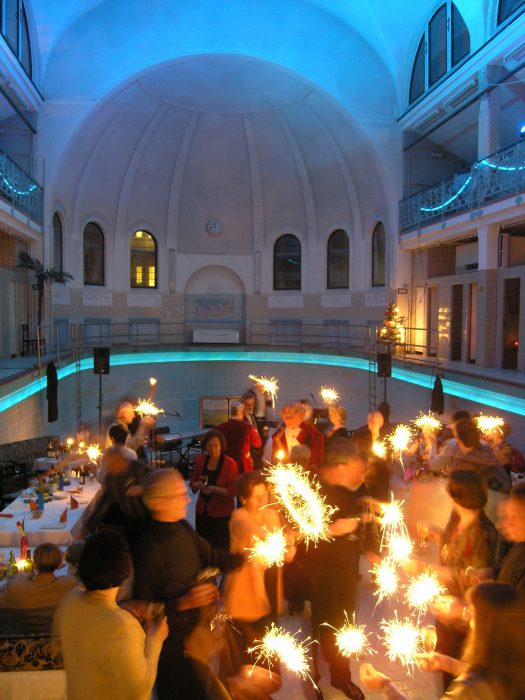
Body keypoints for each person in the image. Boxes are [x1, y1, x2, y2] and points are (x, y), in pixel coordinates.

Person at [133, 469, 243, 700]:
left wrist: (250, 555)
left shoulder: (183, 528)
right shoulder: (149, 549)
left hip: (196, 639)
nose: (187, 500)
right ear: (157, 503)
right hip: (171, 651)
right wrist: (184, 602)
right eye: (179, 495)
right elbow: (142, 612)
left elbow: (214, 556)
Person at [404, 470, 499, 688]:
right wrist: (437, 535)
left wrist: (424, 568)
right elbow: (455, 549)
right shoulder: (457, 516)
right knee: (443, 650)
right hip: (445, 597)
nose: (446, 495)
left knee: (457, 661)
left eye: (450, 492)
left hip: (463, 609)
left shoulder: (484, 534)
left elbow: (468, 575)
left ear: (459, 496)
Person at [360, 582, 525, 700]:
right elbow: (490, 675)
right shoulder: (514, 668)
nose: (467, 620)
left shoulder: (469, 690)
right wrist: (447, 663)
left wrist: (384, 684)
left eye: (473, 615)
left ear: (486, 629)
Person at [307, 438, 380, 700]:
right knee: (318, 627)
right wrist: (329, 531)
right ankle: (313, 680)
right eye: (357, 471)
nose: (361, 478)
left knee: (345, 625)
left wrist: (371, 550)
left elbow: (362, 523)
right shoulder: (311, 489)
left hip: (346, 574)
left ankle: (341, 677)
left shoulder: (353, 491)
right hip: (319, 574)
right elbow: (295, 534)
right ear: (340, 467)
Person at [55, 529, 167, 700]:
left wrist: (120, 611)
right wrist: (155, 641)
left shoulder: (70, 600)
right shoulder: (123, 627)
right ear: (126, 568)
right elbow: (139, 690)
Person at [223, 472, 294, 662]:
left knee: (270, 633)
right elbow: (250, 533)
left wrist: (291, 545)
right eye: (256, 497)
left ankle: (268, 671)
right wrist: (272, 542)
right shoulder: (239, 516)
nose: (263, 500)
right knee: (250, 641)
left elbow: (287, 535)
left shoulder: (271, 514)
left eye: (264, 495)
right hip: (247, 587)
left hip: (269, 581)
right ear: (243, 499)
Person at [0, 543, 77, 628]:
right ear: (59, 564)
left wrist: (22, 576)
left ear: (34, 563)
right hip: (55, 633)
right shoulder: (69, 585)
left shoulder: (17, 587)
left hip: (24, 633)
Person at [84, 448, 152, 543]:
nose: (110, 469)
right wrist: (88, 526)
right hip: (129, 520)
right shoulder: (112, 478)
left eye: (112, 464)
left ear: (122, 460)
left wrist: (143, 489)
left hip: (148, 518)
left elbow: (157, 484)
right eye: (108, 466)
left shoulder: (138, 468)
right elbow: (104, 503)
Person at [189, 429, 238, 550]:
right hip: (202, 511)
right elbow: (192, 484)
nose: (212, 449)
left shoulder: (230, 464)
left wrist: (214, 489)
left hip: (221, 514)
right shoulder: (200, 460)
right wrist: (198, 485)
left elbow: (233, 491)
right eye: (209, 446)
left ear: (221, 446)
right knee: (203, 545)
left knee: (220, 547)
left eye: (216, 445)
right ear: (205, 446)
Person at [266, 402, 324, 472]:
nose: (288, 420)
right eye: (285, 417)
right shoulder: (279, 436)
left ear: (301, 416)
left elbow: (317, 462)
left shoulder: (314, 435)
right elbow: (275, 458)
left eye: (291, 417)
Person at [216, 401, 262, 474]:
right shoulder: (248, 428)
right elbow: (258, 444)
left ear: (231, 413)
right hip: (243, 465)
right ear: (242, 413)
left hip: (226, 463)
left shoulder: (220, 428)